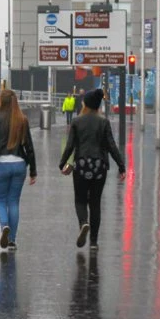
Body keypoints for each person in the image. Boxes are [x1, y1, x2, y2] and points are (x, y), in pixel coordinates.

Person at [59, 88, 126, 250]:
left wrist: (62, 164)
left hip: (81, 165)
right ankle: (94, 242)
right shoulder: (103, 122)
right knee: (95, 203)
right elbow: (111, 145)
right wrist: (121, 166)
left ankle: (84, 223)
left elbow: (70, 146)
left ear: (86, 104)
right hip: (99, 166)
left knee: (80, 200)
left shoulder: (76, 121)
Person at [0, 89, 37, 250]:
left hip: (0, 163)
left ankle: (4, 225)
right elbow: (29, 147)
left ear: (2, 101)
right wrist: (33, 171)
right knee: (13, 201)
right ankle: (12, 239)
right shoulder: (22, 119)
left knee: (0, 200)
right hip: (19, 164)